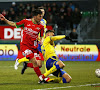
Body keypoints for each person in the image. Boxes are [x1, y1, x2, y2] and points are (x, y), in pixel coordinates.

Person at [0, 9, 49, 82]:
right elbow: (14, 24)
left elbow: (41, 36)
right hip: (25, 46)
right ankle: (41, 78)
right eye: (40, 16)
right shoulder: (26, 22)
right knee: (34, 61)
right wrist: (5, 20)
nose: (41, 18)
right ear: (35, 16)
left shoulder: (41, 26)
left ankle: (26, 65)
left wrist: (41, 40)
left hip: (34, 47)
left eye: (42, 16)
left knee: (39, 65)